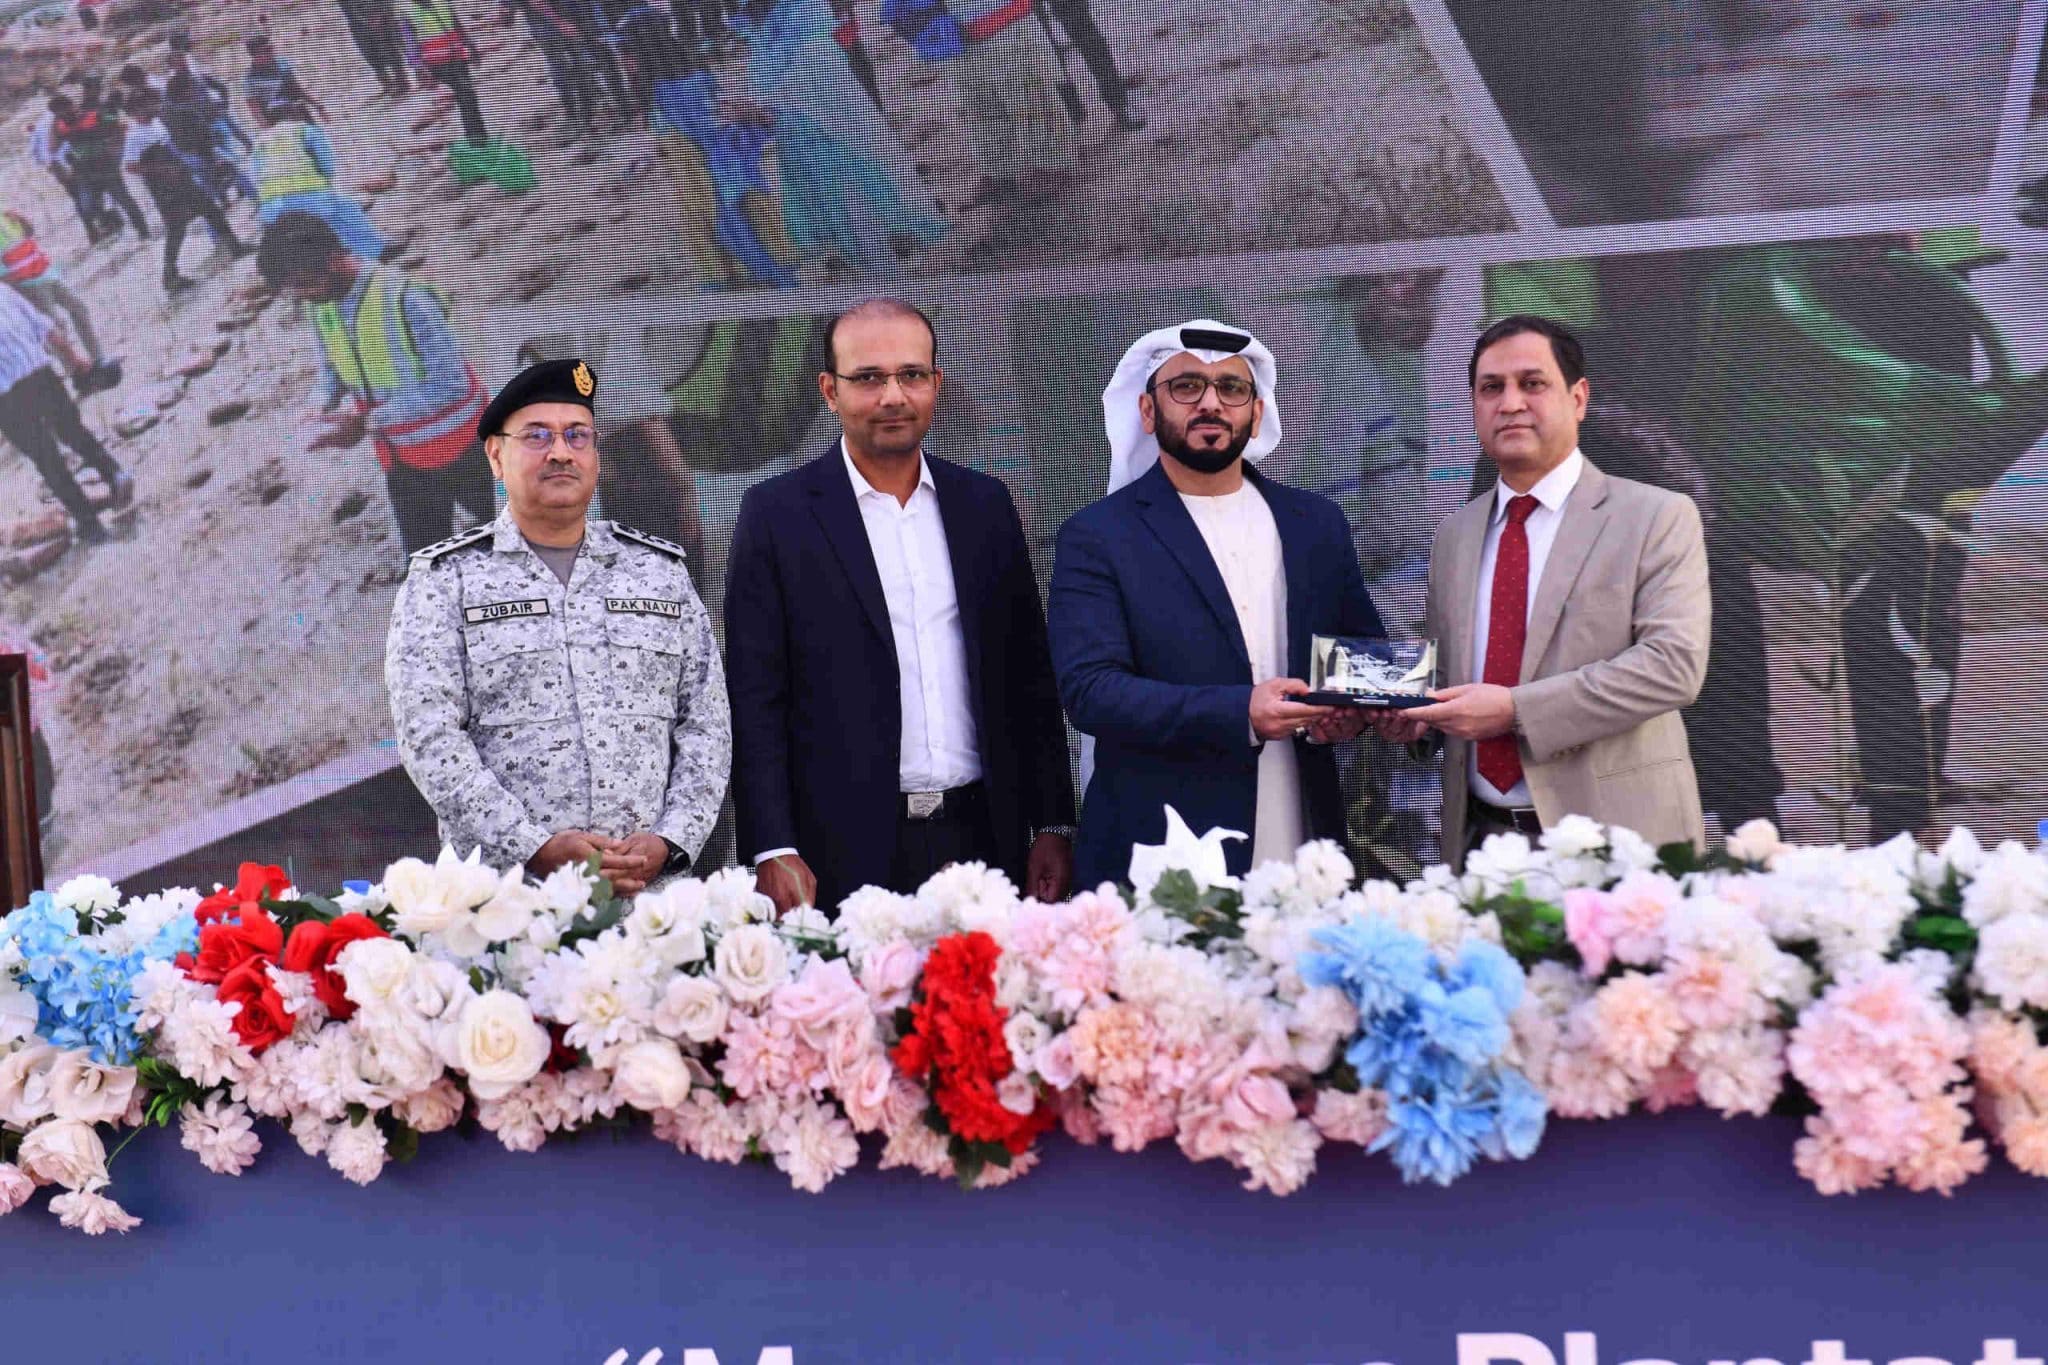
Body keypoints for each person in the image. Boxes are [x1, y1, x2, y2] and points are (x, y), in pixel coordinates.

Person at [724, 298, 1075, 915]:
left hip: (984, 841)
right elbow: (754, 699)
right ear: (829, 391)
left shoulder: (984, 507)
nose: (893, 396)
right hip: (836, 853)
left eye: (911, 375)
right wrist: (770, 846)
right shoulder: (776, 515)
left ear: (936, 385)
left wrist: (1052, 824)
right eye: (868, 378)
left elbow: (1029, 681)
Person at [1046, 319, 1384, 886]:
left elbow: (1363, 657)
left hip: (1305, 848)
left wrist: (1367, 714)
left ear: (1256, 413)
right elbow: (1091, 692)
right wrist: (1240, 713)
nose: (1210, 403)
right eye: (1186, 387)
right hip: (1165, 857)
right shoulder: (1098, 535)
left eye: (1231, 389)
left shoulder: (1316, 524)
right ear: (1148, 412)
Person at [386, 358, 730, 891]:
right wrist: (532, 847)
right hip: (510, 902)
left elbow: (706, 724)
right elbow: (428, 738)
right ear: (496, 458)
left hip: (661, 901)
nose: (561, 451)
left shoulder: (659, 573)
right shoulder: (443, 580)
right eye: (537, 436)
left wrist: (671, 840)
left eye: (578, 436)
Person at [1387, 315, 1711, 865]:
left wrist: (1515, 710)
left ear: (1578, 398)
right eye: (1491, 387)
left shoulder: (1656, 515)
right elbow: (1451, 678)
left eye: (1531, 383)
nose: (1510, 402)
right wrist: (1413, 717)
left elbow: (1673, 666)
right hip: (1481, 846)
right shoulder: (1455, 535)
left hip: (1618, 844)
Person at [258, 212, 496, 554]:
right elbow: (331, 364)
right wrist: (319, 406)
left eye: (306, 284)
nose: (303, 296)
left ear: (336, 261)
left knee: (513, 525)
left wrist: (366, 422)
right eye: (294, 289)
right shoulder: (321, 305)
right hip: (400, 452)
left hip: (462, 445)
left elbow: (451, 386)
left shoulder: (407, 299)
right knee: (424, 555)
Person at [0, 284, 134, 545]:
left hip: (7, 396)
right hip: (40, 373)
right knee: (74, 432)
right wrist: (75, 361)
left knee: (46, 457)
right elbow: (46, 328)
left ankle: (89, 524)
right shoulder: (3, 291)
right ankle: (115, 475)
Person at [122, 89, 253, 296]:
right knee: (177, 229)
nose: (155, 106)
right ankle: (170, 276)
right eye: (148, 104)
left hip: (181, 178)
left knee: (211, 210)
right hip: (163, 188)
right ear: (137, 111)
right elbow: (130, 166)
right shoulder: (135, 135)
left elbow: (170, 148)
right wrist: (162, 170)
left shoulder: (156, 124)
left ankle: (235, 247)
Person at [249, 101, 388, 260]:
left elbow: (256, 178)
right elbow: (327, 167)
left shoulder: (259, 143)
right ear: (294, 114)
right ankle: (375, 251)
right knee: (345, 209)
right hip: (310, 200)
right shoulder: (305, 131)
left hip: (271, 210)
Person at [0, 208, 116, 378]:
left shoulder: (5, 216)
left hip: (48, 274)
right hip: (29, 285)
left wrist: (21, 219)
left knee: (79, 309)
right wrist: (20, 284)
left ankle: (98, 358)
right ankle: (77, 374)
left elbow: (29, 233)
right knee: (55, 328)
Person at [48, 92, 151, 242]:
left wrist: (115, 149)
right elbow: (52, 148)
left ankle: (143, 231)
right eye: (58, 114)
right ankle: (113, 224)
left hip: (106, 168)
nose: (63, 115)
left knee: (124, 200)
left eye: (64, 111)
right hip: (84, 173)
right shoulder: (60, 126)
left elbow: (120, 125)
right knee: (87, 207)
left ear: (72, 106)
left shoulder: (92, 116)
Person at [400, 0, 492, 147]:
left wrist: (471, 46)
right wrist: (418, 68)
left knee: (468, 97)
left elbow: (458, 26)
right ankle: (478, 140)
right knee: (466, 96)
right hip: (437, 64)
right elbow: (409, 43)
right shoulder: (409, 12)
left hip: (457, 59)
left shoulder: (442, 3)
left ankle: (479, 139)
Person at [242, 34, 327, 125]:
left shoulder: (282, 63)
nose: (272, 53)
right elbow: (254, 108)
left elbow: (297, 89)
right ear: (256, 56)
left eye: (271, 48)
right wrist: (266, 127)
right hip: (279, 122)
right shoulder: (250, 79)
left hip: (300, 113)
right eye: (266, 50)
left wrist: (318, 106)